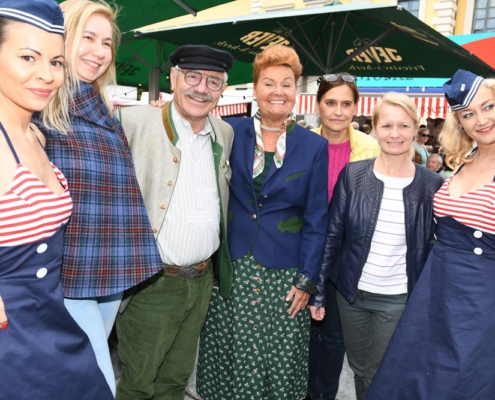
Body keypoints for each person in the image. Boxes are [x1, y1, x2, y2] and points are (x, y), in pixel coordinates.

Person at [40, 0, 164, 394]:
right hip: (65, 276)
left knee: (71, 382)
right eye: (88, 37)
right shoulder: (38, 109)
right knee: (98, 382)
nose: (98, 51)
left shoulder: (106, 113)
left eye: (107, 43)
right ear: (61, 39)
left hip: (111, 272)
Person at [196, 44, 329, 400]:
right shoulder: (228, 132)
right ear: (255, 89)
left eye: (287, 84)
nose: (278, 91)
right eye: (269, 83)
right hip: (233, 265)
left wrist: (307, 280)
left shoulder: (313, 146)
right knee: (230, 353)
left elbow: (317, 219)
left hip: (286, 272)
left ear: (296, 92)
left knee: (277, 359)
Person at [0, 0, 113, 398]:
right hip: (11, 340)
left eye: (56, 62)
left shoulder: (38, 134)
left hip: (53, 319)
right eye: (28, 57)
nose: (46, 75)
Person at [366, 70, 495, 399]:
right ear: (459, 122)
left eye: (489, 106)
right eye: (468, 114)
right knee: (411, 380)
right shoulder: (466, 159)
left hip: (480, 301)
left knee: (459, 384)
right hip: (434, 291)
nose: (481, 119)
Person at [115, 44, 234, 400]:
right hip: (153, 283)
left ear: (223, 89)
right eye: (193, 77)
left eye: (213, 82)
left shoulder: (224, 133)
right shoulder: (133, 121)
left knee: (176, 381)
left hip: (200, 282)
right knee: (138, 382)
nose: (202, 88)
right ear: (173, 78)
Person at [311, 92, 443, 400]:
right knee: (359, 368)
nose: (394, 134)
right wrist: (319, 292)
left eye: (403, 126)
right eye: (386, 126)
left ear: (414, 129)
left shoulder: (431, 184)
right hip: (351, 294)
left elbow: (435, 245)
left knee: (377, 371)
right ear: (374, 128)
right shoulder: (354, 176)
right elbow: (333, 236)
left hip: (397, 297)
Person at [306, 73, 380, 400]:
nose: (338, 111)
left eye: (345, 104)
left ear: (355, 108)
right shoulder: (300, 142)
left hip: (345, 258)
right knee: (301, 334)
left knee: (334, 337)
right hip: (304, 253)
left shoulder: (371, 148)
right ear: (318, 104)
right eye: (330, 102)